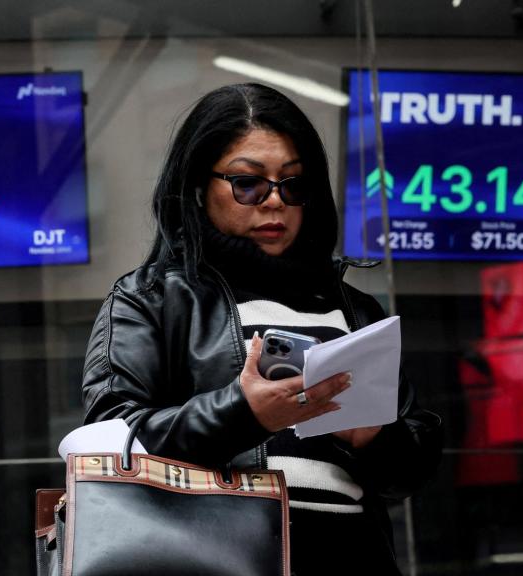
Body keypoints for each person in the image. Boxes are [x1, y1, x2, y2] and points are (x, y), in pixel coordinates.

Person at [81, 83, 442, 575]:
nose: (274, 202)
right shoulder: (152, 298)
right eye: (247, 183)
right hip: (214, 555)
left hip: (351, 553)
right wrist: (243, 413)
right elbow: (109, 441)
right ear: (198, 186)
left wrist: (371, 436)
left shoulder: (355, 309)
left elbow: (409, 471)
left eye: (293, 184)